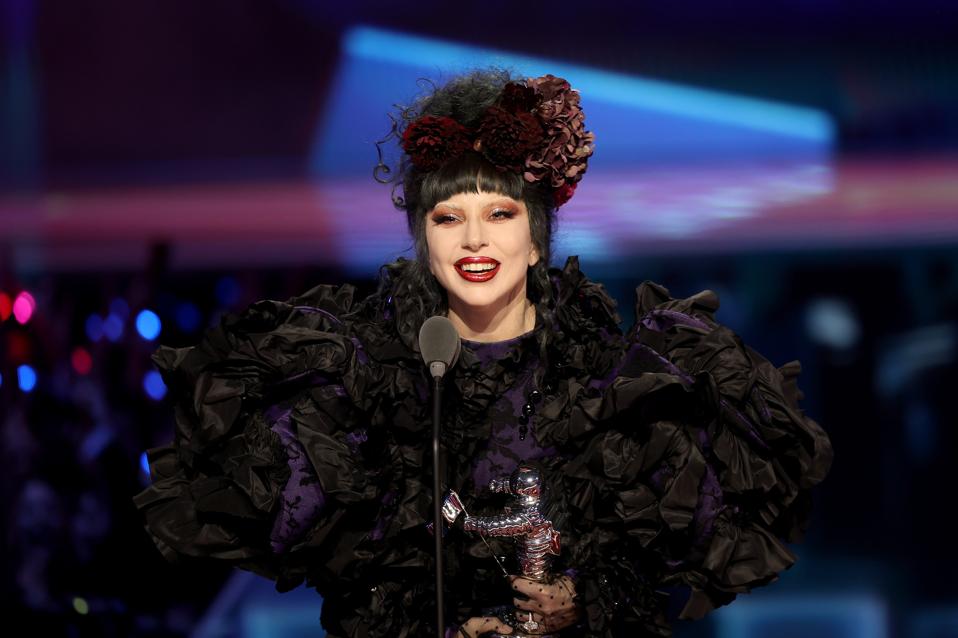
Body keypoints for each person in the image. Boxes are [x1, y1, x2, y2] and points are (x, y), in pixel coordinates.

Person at [134, 69, 833, 637]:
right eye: (448, 218)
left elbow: (655, 577)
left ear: (537, 238)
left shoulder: (618, 387)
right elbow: (348, 588)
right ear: (422, 240)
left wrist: (576, 602)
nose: (474, 241)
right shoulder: (359, 389)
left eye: (499, 214)